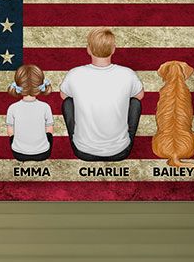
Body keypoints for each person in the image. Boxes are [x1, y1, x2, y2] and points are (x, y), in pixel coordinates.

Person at [59, 27, 143, 162]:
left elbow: (64, 96)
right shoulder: (128, 74)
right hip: (120, 152)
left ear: (88, 49)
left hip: (82, 151)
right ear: (113, 49)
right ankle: (121, 138)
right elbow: (139, 96)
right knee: (135, 102)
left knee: (68, 102)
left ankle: (81, 138)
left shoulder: (75, 74)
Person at [5, 64, 54, 161]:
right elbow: (49, 130)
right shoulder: (45, 107)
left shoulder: (12, 108)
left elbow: (10, 131)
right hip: (43, 153)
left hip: (18, 154)